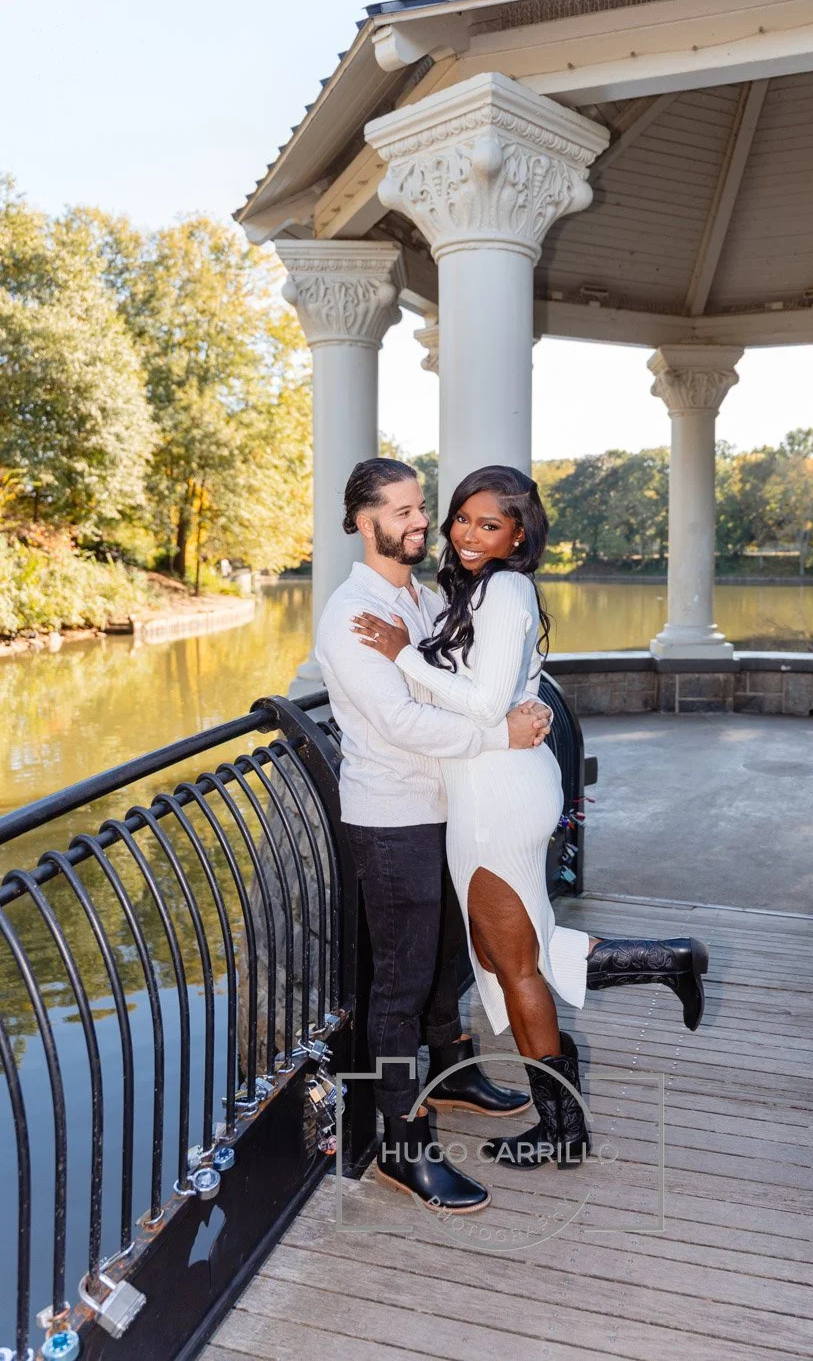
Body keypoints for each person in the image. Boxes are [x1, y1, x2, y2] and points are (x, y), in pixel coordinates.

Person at [353, 464, 710, 1171]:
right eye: (460, 518)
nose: (465, 533)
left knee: (515, 965)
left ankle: (561, 1129)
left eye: (489, 524)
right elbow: (509, 682)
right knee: (505, 953)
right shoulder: (480, 591)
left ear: (519, 535)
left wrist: (402, 658)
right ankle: (667, 962)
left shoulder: (505, 588)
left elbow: (484, 706)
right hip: (494, 785)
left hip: (497, 797)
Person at [315, 457, 554, 1215]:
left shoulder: (423, 596)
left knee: (447, 959)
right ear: (363, 520)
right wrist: (502, 739)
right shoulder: (349, 614)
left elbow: (482, 672)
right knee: (400, 982)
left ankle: (455, 1074)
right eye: (404, 511)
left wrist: (524, 705)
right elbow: (401, 721)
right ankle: (399, 1144)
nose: (423, 523)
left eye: (424, 508)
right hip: (392, 817)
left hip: (449, 805)